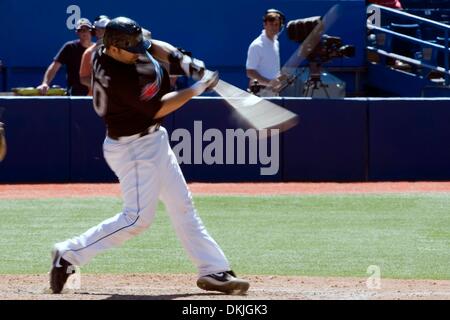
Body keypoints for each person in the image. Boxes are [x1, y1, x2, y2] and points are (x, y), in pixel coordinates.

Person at [49, 16, 250, 296]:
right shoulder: (121, 77)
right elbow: (159, 107)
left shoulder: (110, 48)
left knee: (182, 205)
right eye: (133, 49)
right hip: (133, 148)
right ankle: (69, 253)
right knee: (137, 218)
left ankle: (213, 270)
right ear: (115, 48)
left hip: (153, 139)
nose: (140, 51)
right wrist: (198, 87)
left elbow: (154, 46)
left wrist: (185, 62)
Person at [37, 18, 93, 96]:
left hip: (95, 94)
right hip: (75, 94)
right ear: (77, 33)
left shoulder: (96, 48)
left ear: (91, 31)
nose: (84, 33)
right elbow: (54, 67)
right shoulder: (70, 47)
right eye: (81, 30)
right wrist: (45, 83)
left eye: (87, 30)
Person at [246, 9, 285, 95]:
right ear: (265, 25)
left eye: (276, 25)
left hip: (273, 93)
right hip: (259, 93)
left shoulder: (276, 43)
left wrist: (279, 79)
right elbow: (250, 72)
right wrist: (269, 83)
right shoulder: (257, 45)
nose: (274, 27)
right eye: (271, 24)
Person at [79, 15, 111, 93]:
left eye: (104, 29)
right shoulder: (89, 53)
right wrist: (102, 85)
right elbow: (83, 78)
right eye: (99, 29)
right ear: (95, 31)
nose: (102, 32)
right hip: (95, 100)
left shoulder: (120, 50)